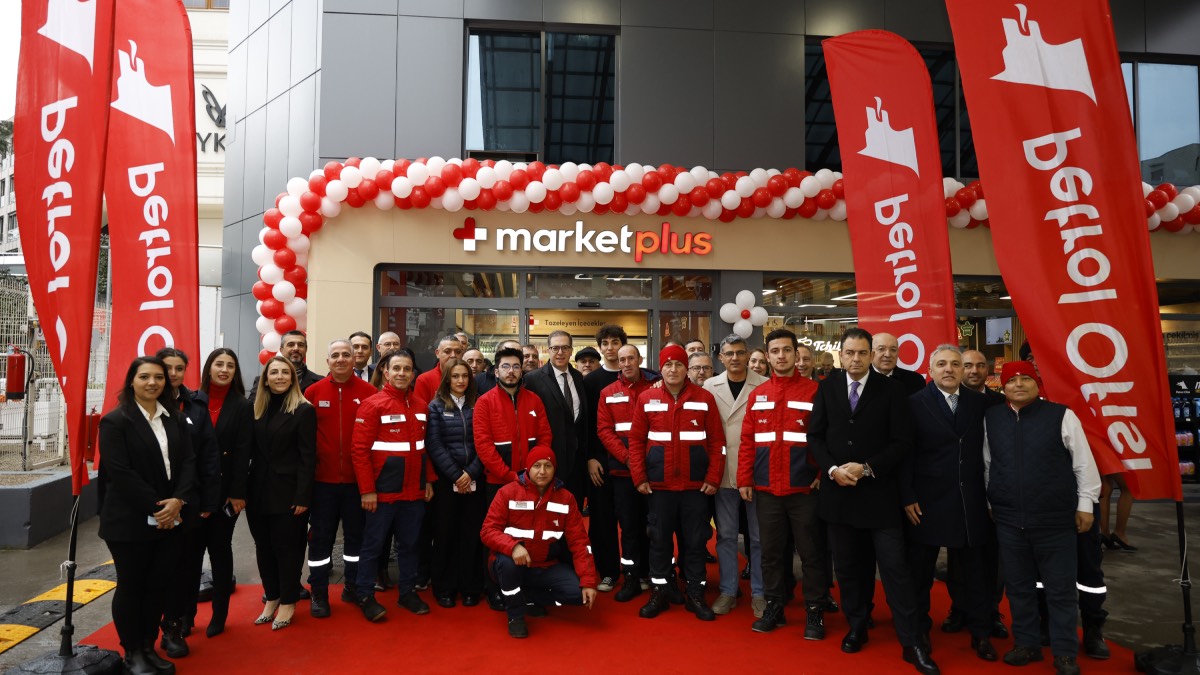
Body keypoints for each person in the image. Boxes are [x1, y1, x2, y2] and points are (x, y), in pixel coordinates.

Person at [808, 328, 936, 675]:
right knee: (849, 568)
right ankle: (857, 625)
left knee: (895, 570)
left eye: (862, 353)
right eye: (849, 353)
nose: (855, 359)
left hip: (879, 496)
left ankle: (912, 642)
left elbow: (902, 443)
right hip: (839, 494)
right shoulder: (828, 387)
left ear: (870, 355)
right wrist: (833, 469)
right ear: (840, 354)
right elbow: (815, 436)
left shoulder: (892, 391)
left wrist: (866, 468)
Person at [984, 362, 1101, 675]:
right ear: (1002, 386)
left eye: (1026, 379)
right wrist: (990, 500)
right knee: (1019, 587)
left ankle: (1064, 653)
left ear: (1037, 383)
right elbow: (987, 463)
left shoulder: (1061, 415)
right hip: (1009, 520)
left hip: (1055, 520)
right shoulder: (992, 418)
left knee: (1061, 590)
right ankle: (1026, 644)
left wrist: (1086, 505)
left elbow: (1083, 464)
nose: (1019, 385)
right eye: (1012, 380)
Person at [98, 357, 196, 675]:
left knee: (158, 586)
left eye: (158, 377)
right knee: (132, 585)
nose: (152, 382)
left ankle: (148, 646)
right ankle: (132, 652)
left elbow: (188, 463)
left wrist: (178, 500)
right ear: (131, 381)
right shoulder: (116, 421)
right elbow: (120, 473)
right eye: (144, 377)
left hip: (171, 518)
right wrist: (160, 509)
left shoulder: (175, 420)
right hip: (129, 521)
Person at [901, 345, 997, 661]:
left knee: (975, 573)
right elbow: (904, 455)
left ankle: (981, 633)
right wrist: (907, 496)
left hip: (969, 499)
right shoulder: (914, 404)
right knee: (919, 574)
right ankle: (918, 634)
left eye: (955, 364)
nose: (949, 369)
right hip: (925, 501)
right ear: (930, 369)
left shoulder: (981, 403)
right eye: (941, 364)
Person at [1020, 343, 1111, 660]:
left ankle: (1093, 627)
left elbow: (1089, 455)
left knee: (1088, 569)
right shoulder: (1023, 394)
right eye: (1030, 359)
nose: (1036, 364)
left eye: (1040, 356)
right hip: (1040, 503)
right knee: (1042, 572)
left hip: (1079, 498)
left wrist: (1087, 501)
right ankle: (1046, 623)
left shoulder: (1077, 393)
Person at [737, 329, 828, 637]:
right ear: (767, 354)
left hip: (804, 489)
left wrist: (819, 475)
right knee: (771, 553)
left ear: (796, 354)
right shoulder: (757, 395)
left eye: (786, 350)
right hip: (767, 489)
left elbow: (826, 440)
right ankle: (774, 606)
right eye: (774, 350)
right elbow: (747, 440)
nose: (780, 356)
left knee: (812, 554)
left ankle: (815, 611)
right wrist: (744, 478)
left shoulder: (815, 392)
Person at [628, 344, 726, 622]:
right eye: (668, 365)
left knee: (695, 543)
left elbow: (717, 442)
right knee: (659, 542)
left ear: (687, 369)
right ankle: (659, 592)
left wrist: (713, 477)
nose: (673, 369)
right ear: (661, 368)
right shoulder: (647, 398)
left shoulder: (704, 398)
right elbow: (635, 441)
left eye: (679, 365)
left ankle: (696, 594)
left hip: (696, 488)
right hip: (658, 487)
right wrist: (640, 476)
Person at [351, 349, 437, 621]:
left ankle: (407, 592)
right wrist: (367, 490)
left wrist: (429, 481)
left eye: (407, 369)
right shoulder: (372, 404)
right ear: (386, 372)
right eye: (396, 368)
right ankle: (364, 594)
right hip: (382, 492)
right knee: (373, 546)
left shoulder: (422, 405)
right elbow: (359, 451)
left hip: (413, 491)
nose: (402, 373)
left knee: (411, 545)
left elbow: (426, 448)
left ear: (413, 374)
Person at [480, 447, 598, 638]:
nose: (542, 471)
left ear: (554, 469)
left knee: (579, 595)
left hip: (545, 567)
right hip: (512, 564)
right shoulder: (507, 493)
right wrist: (513, 546)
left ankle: (526, 596)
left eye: (547, 466)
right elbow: (487, 531)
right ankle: (515, 615)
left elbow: (580, 542)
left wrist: (589, 582)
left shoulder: (566, 499)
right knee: (508, 565)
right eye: (537, 466)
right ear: (528, 468)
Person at [302, 340, 378, 618]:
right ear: (328, 362)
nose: (342, 359)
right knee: (320, 541)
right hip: (322, 483)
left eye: (347, 354)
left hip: (358, 484)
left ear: (355, 359)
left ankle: (354, 587)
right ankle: (319, 592)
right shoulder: (312, 392)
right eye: (336, 355)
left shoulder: (369, 393)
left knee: (356, 540)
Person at [473, 346, 553, 610]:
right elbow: (484, 447)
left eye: (516, 367)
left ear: (522, 370)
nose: (511, 371)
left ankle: (525, 586)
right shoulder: (484, 402)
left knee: (527, 535)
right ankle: (493, 588)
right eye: (505, 367)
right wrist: (511, 477)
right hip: (499, 484)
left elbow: (544, 439)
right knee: (495, 536)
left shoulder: (535, 400)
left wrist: (533, 476)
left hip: (532, 484)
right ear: (496, 371)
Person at [155, 348, 220, 658]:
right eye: (167, 368)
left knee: (186, 566)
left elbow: (207, 454)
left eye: (179, 368)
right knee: (155, 569)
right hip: (152, 504)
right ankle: (148, 628)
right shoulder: (141, 406)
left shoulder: (195, 405)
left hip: (189, 501)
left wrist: (207, 498)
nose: (173, 374)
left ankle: (177, 624)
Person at [582, 325, 656, 597]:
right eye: (607, 343)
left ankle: (645, 572)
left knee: (638, 522)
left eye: (617, 343)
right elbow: (591, 426)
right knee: (603, 523)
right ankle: (610, 572)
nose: (612, 348)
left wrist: (639, 460)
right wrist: (591, 456)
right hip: (604, 464)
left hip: (641, 465)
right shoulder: (591, 382)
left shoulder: (652, 380)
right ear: (601, 347)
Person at [247, 356, 316, 631]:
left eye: (284, 373)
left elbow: (308, 458)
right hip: (257, 492)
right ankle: (272, 597)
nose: (278, 377)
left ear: (292, 378)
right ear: (265, 378)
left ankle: (288, 601)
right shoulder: (256, 409)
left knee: (287, 550)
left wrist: (303, 497)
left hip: (289, 494)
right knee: (263, 549)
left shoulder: (303, 410)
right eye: (273, 372)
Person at [944, 348, 1007, 639]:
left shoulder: (1000, 403)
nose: (973, 371)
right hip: (958, 491)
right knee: (958, 556)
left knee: (993, 557)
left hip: (994, 491)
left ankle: (991, 612)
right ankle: (959, 608)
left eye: (980, 366)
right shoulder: (949, 402)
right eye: (967, 365)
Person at [704, 335, 768, 617]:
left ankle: (760, 593)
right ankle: (729, 590)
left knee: (758, 537)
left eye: (740, 353)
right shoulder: (709, 385)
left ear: (748, 355)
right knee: (727, 536)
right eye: (729, 354)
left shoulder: (765, 385)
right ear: (721, 357)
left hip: (755, 471)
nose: (735, 358)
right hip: (723, 472)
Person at [191, 348, 252, 638]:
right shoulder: (192, 401)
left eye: (230, 365)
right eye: (219, 364)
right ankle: (186, 615)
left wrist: (238, 492)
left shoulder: (241, 405)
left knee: (220, 551)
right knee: (190, 556)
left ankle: (219, 615)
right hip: (193, 493)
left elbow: (243, 453)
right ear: (209, 368)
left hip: (226, 494)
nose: (224, 369)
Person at [426, 358, 487, 608]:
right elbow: (435, 444)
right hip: (446, 482)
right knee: (445, 534)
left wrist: (470, 473)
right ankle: (445, 588)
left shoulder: (480, 404)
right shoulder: (436, 406)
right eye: (455, 376)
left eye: (465, 376)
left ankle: (471, 587)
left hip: (475, 479)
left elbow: (484, 441)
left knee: (472, 534)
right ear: (447, 379)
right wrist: (456, 475)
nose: (461, 380)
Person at [523, 330, 590, 507]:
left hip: (576, 460)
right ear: (548, 350)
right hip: (549, 458)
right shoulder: (533, 379)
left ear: (571, 350)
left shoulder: (577, 377)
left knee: (572, 510)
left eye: (565, 348)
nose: (560, 352)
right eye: (555, 348)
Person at [252, 331, 324, 396]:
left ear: (306, 349)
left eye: (301, 345)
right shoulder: (262, 381)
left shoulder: (319, 382)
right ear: (281, 350)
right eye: (291, 345)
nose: (296, 348)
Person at [413, 334, 466, 406]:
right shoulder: (424, 379)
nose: (453, 355)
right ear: (437, 353)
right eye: (447, 351)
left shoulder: (467, 379)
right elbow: (420, 411)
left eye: (458, 352)